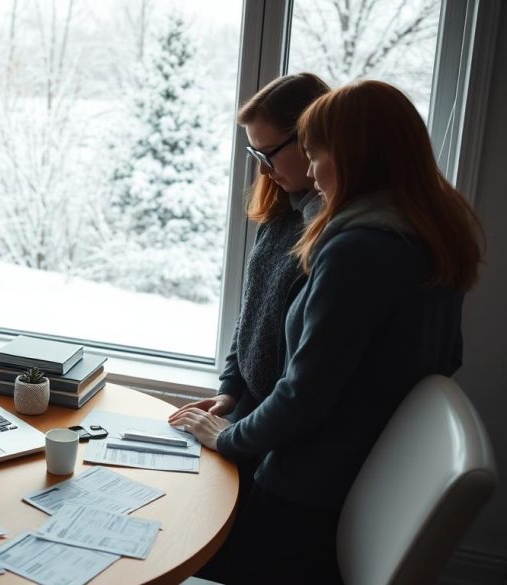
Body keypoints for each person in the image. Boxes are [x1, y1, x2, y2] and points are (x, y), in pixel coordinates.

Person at [169, 80, 483, 584]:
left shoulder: (357, 250)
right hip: (358, 480)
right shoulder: (432, 233)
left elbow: (304, 393)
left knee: (177, 541)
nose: (312, 173)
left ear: (354, 155)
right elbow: (448, 358)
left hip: (304, 498)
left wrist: (229, 438)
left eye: (315, 155)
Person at [183, 73, 329, 502]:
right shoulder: (283, 212)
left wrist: (234, 430)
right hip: (250, 410)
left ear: (310, 141)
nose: (263, 168)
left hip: (275, 432)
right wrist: (228, 390)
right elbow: (252, 317)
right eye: (254, 153)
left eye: (269, 153)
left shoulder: (328, 235)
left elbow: (303, 379)